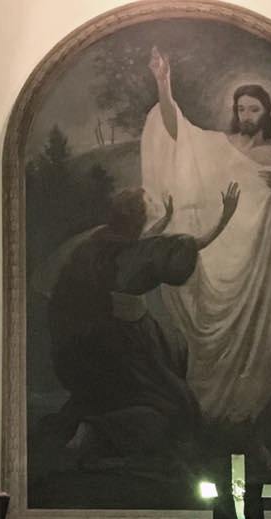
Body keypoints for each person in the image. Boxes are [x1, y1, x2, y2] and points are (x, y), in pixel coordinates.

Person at [142, 47, 271, 430]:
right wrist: (163, 83)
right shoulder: (219, 146)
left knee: (261, 342)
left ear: (267, 113)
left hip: (260, 270)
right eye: (241, 109)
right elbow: (178, 134)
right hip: (219, 260)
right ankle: (207, 427)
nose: (246, 116)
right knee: (210, 346)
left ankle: (246, 428)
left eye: (254, 109)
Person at [40, 183, 239, 460]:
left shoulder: (101, 240)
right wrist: (225, 218)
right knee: (175, 404)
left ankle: (91, 429)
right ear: (137, 216)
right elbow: (190, 244)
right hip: (126, 339)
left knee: (119, 394)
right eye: (149, 204)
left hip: (93, 338)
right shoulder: (136, 252)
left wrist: (165, 218)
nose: (153, 205)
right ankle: (99, 431)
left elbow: (143, 243)